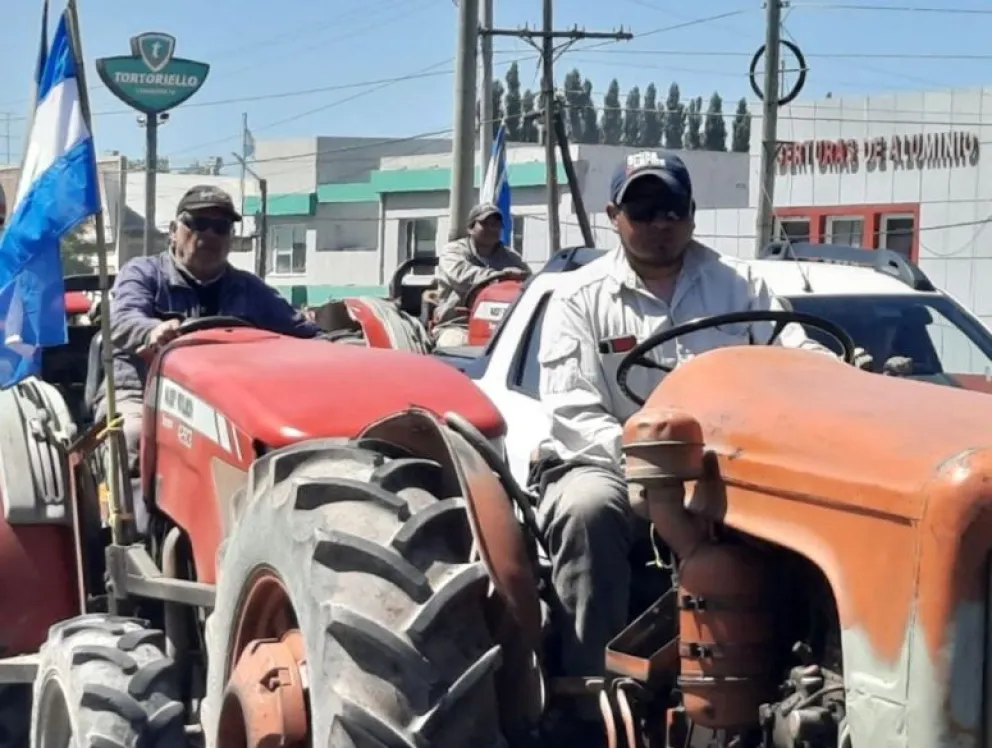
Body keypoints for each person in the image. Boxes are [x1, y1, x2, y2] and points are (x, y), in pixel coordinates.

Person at [535, 151, 869, 695]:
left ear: (692, 214)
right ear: (613, 215)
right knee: (586, 510)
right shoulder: (580, 296)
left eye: (672, 208)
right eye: (643, 209)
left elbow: (794, 353)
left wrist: (836, 374)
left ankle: (803, 671)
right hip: (617, 464)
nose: (660, 224)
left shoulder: (740, 286)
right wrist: (648, 462)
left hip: (729, 462)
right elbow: (572, 408)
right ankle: (586, 688)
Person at [98, 184, 321, 530]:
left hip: (229, 406)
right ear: (174, 231)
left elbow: (303, 334)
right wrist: (151, 331)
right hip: (144, 396)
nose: (210, 235)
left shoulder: (249, 289)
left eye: (221, 228)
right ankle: (132, 540)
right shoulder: (143, 274)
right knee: (132, 435)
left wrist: (347, 347)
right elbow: (123, 319)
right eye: (198, 223)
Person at [433, 203, 531, 347]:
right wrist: (502, 276)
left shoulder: (511, 257)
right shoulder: (452, 252)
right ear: (471, 228)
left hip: (502, 326)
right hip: (459, 325)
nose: (492, 228)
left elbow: (529, 281)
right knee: (457, 345)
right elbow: (462, 276)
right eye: (485, 224)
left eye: (496, 224)